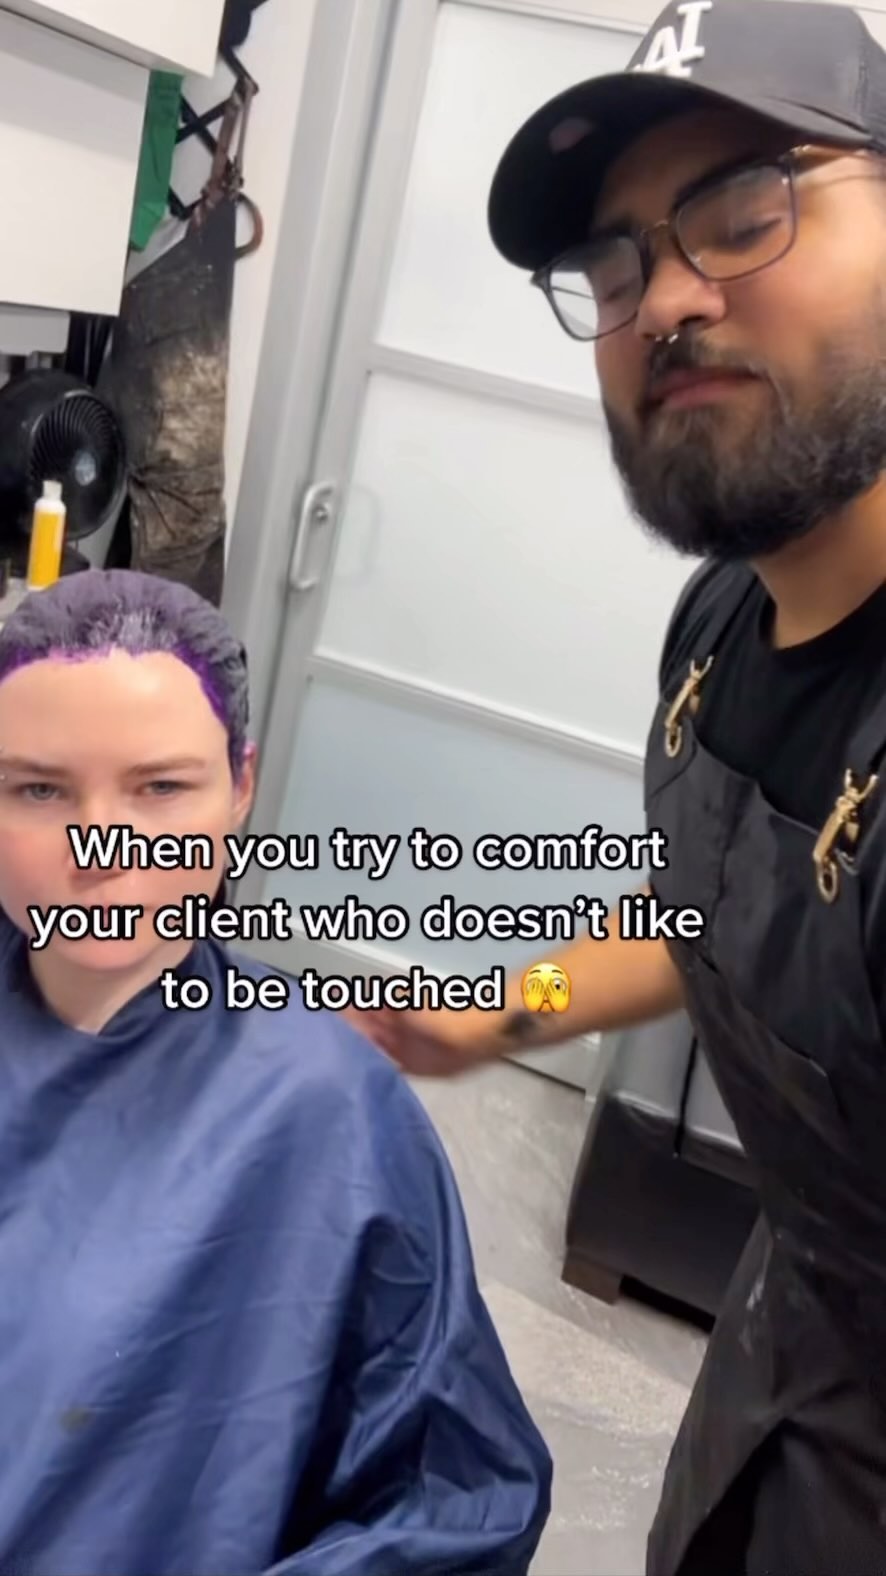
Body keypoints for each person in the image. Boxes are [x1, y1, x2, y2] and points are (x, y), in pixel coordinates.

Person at [355, 0, 886, 1571]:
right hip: (787, 1341)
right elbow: (713, 912)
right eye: (612, 264)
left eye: (744, 207)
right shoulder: (724, 621)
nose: (660, 300)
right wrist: (496, 1011)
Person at [0, 568, 551, 1576]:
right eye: (40, 789)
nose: (99, 848)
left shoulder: (326, 1108)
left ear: (241, 788)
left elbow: (457, 1497)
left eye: (160, 789)